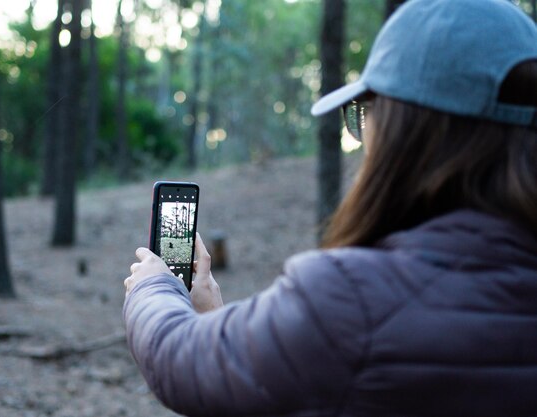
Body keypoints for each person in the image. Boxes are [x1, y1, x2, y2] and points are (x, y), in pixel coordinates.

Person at [123, 0, 537, 415]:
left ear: (403, 131)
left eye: (365, 114)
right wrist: (218, 320)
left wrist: (153, 285)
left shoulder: (353, 298)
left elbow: (182, 362)